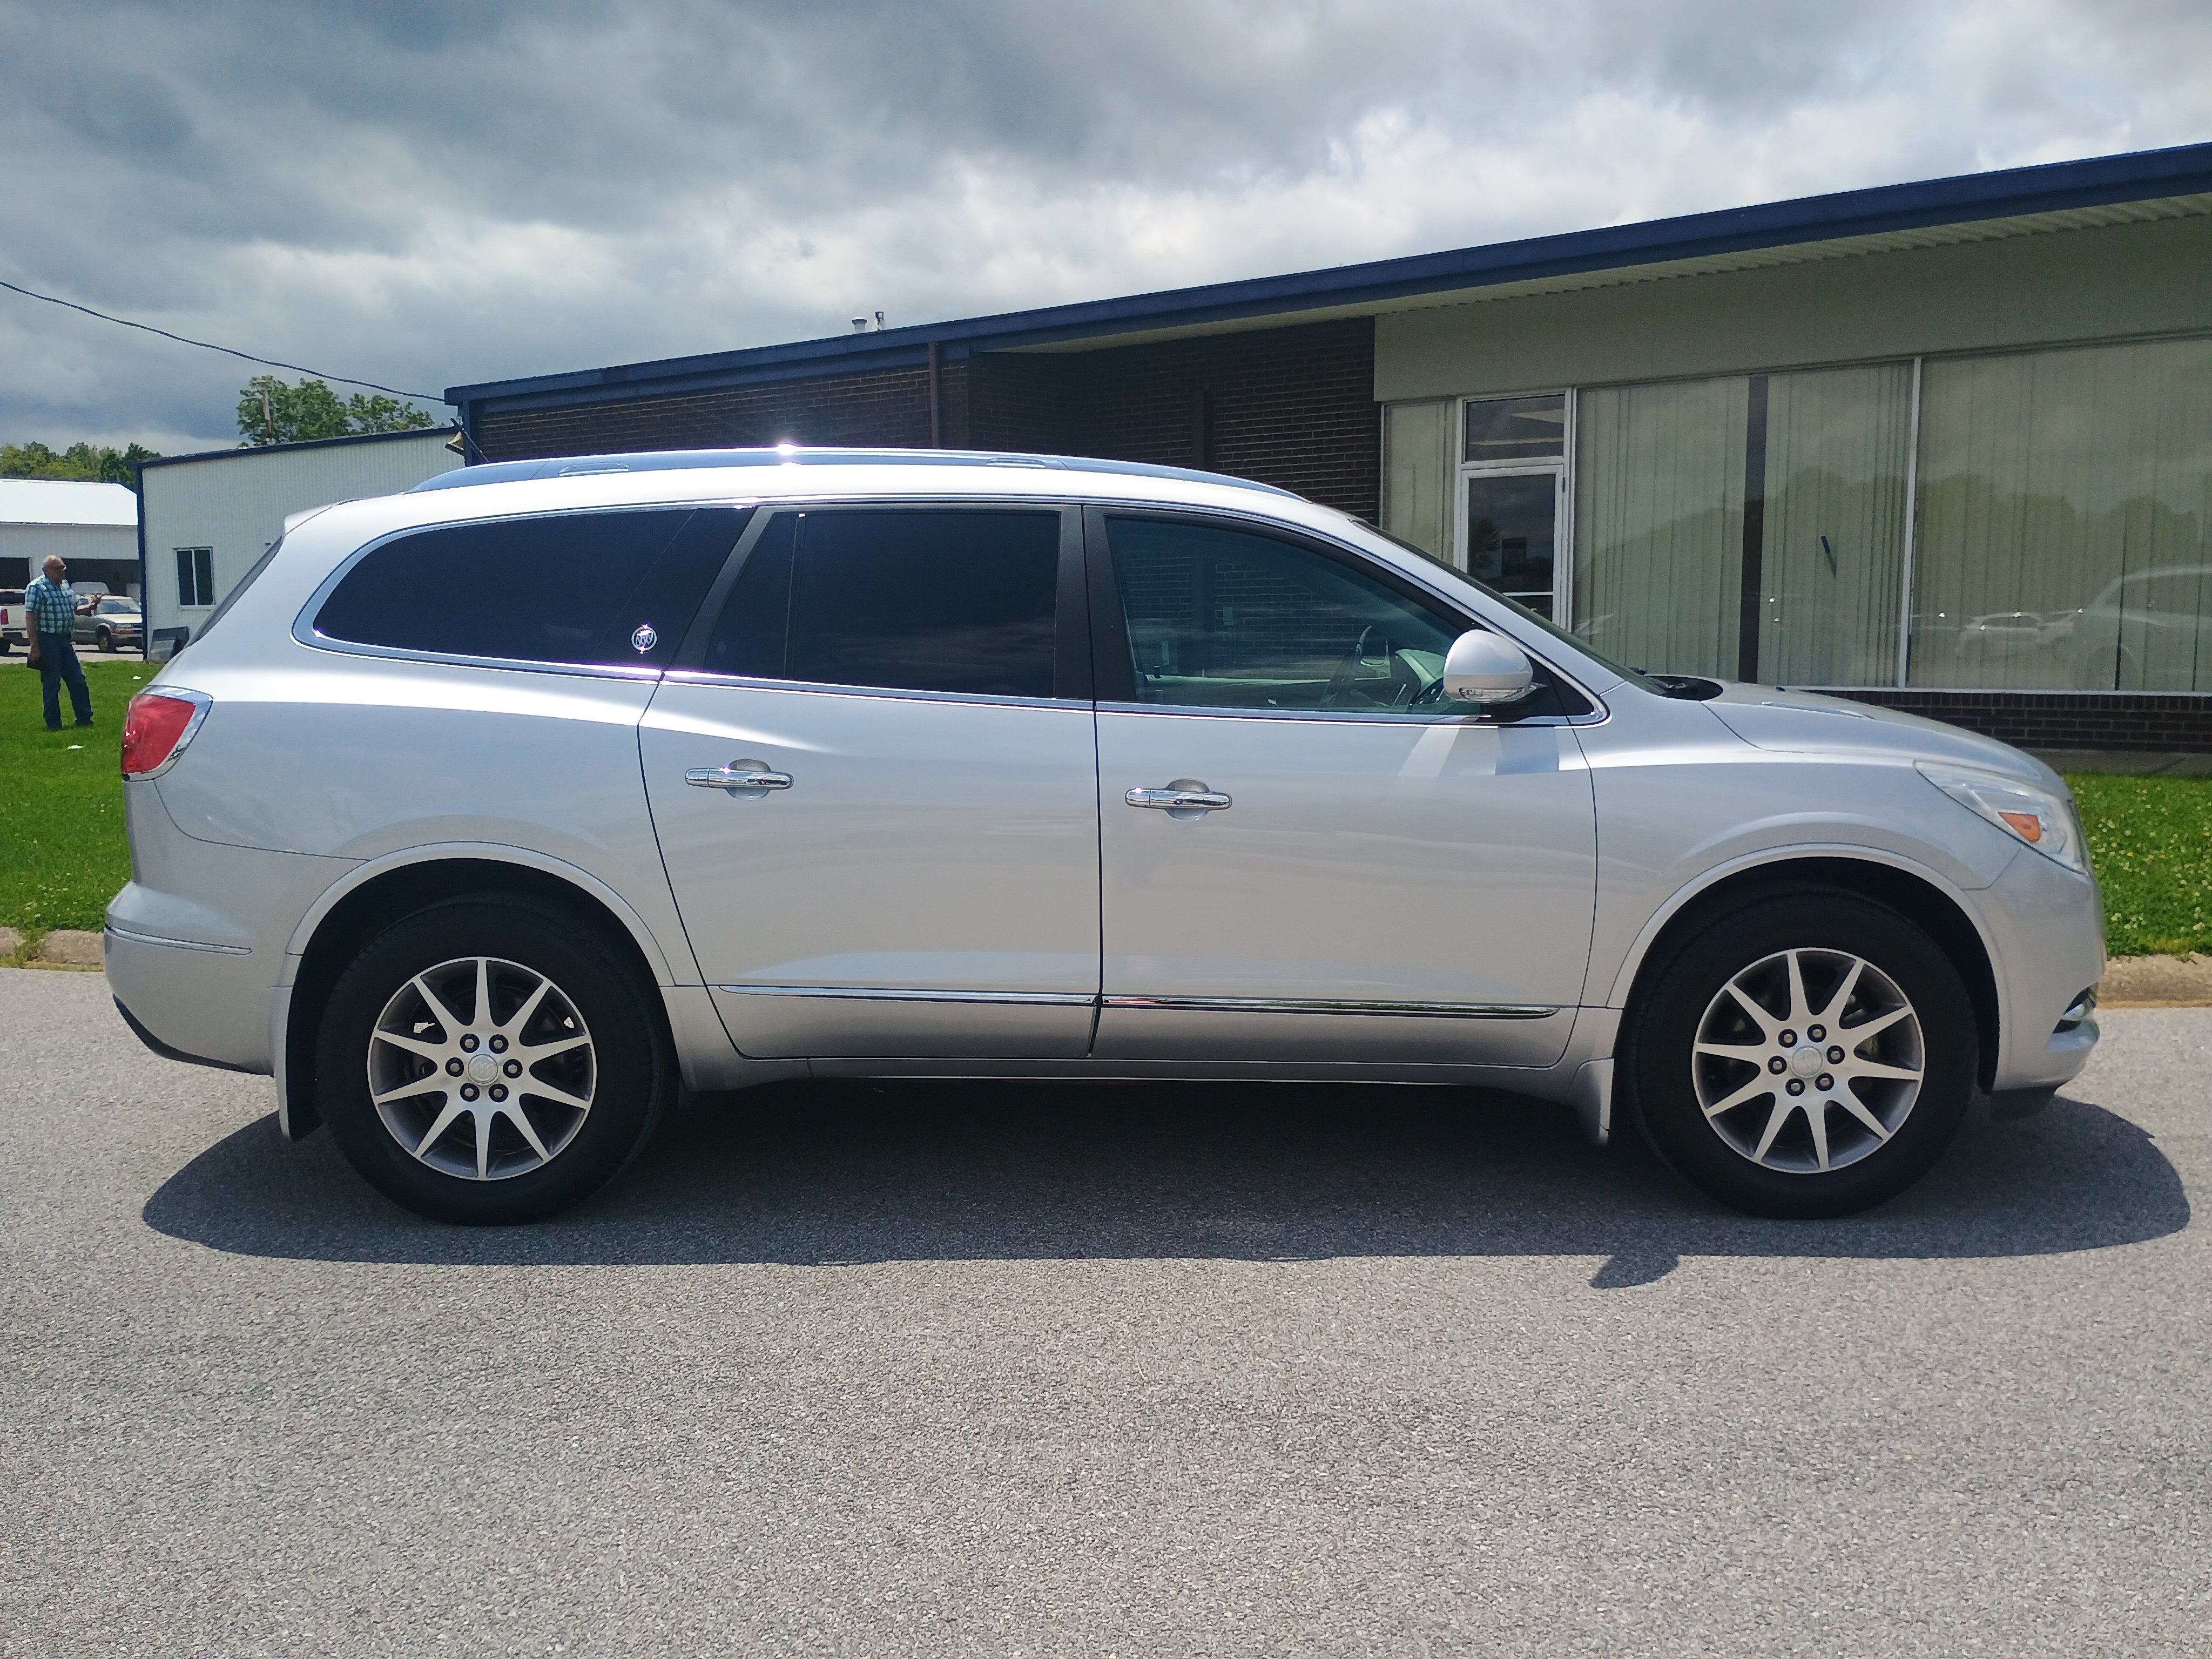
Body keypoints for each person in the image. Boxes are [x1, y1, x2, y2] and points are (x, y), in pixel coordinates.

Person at [24, 554, 95, 731]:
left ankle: (84, 718)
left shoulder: (65, 586)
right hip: (47, 639)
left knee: (78, 680)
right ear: (46, 570)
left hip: (65, 640)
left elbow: (76, 610)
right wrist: (35, 647)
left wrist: (92, 606)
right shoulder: (37, 588)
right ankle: (54, 724)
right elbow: (30, 617)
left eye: (63, 568)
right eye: (58, 569)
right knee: (52, 683)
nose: (62, 572)